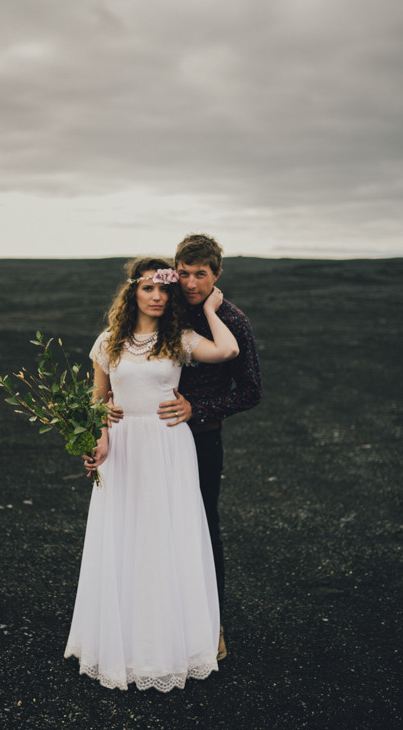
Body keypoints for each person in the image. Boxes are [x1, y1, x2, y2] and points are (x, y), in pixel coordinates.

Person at [64, 256, 239, 691]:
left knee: (165, 535)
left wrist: (213, 311)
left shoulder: (179, 337)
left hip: (166, 446)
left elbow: (228, 350)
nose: (158, 296)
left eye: (164, 290)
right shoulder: (108, 342)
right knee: (125, 535)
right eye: (148, 289)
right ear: (133, 292)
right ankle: (120, 640)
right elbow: (98, 399)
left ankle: (169, 641)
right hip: (124, 448)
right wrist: (98, 440)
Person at [108, 235, 262, 661]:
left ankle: (210, 626)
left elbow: (251, 391)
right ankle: (148, 617)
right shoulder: (166, 304)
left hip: (199, 437)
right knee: (146, 526)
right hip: (144, 437)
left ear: (216, 275)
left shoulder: (231, 319)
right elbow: (119, 370)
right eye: (185, 273)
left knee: (199, 528)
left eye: (201, 275)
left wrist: (198, 408)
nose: (191, 283)